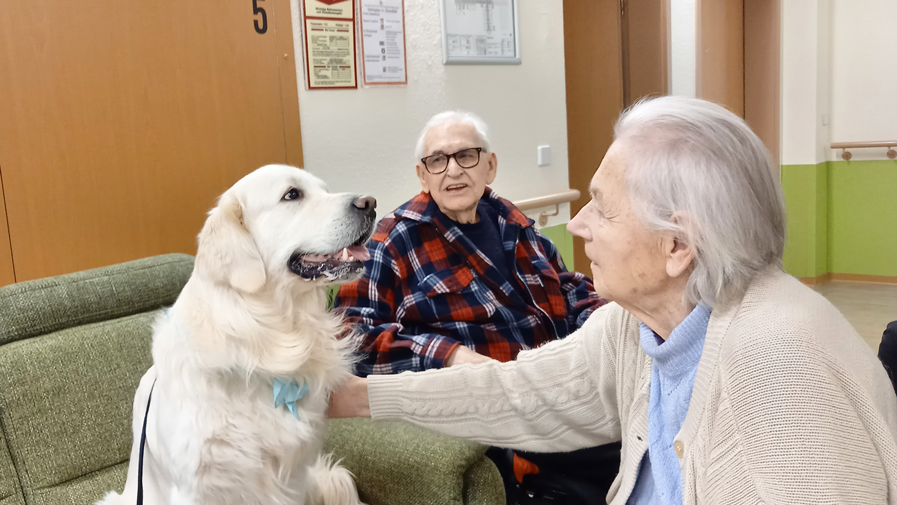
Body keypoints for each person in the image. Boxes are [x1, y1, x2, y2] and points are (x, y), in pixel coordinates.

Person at [330, 96, 897, 505]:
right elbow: (522, 390)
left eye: (601, 206)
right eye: (439, 161)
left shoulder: (778, 363)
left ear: (677, 246)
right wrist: (360, 398)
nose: (576, 224)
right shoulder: (638, 327)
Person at [334, 111, 618, 503]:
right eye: (437, 160)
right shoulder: (394, 239)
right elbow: (353, 337)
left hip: (559, 386)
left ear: (490, 165)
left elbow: (568, 288)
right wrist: (450, 356)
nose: (453, 171)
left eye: (466, 155)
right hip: (489, 408)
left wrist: (608, 319)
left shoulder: (515, 223)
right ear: (423, 175)